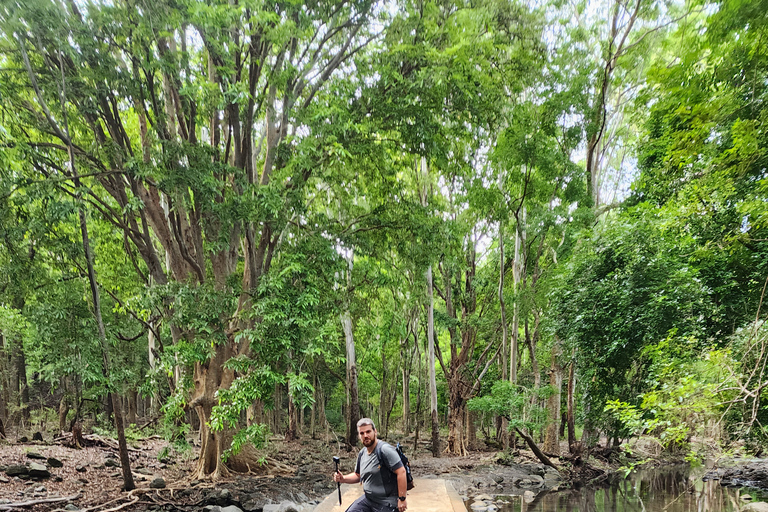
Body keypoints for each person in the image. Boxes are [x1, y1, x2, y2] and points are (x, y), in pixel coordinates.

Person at [333, 418, 408, 512]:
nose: (365, 435)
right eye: (362, 433)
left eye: (368, 432)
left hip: (386, 502)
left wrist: (402, 499)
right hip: (369, 499)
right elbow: (358, 475)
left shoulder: (385, 450)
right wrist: (342, 479)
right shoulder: (362, 453)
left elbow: (401, 472)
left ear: (375, 432)